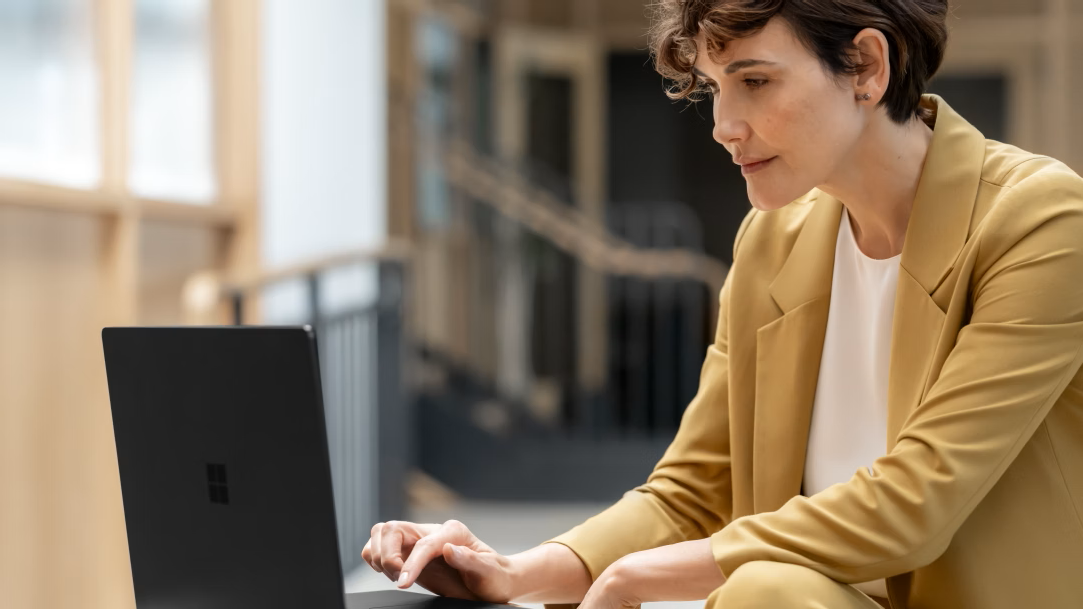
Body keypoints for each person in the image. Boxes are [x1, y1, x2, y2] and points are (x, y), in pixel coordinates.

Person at [363, 1, 1083, 607]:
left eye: (756, 81)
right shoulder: (772, 241)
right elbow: (692, 491)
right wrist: (518, 570)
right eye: (714, 88)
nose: (723, 124)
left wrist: (645, 575)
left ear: (865, 67)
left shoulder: (1040, 221)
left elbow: (916, 500)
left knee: (761, 590)